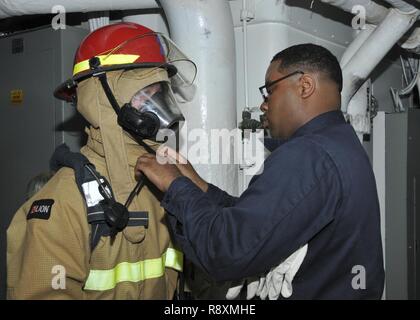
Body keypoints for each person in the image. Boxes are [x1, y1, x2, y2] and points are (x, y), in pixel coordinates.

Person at [135, 43, 385, 299]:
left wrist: (174, 185)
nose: (264, 105)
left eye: (270, 91)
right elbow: (263, 222)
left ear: (305, 86)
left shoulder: (308, 155)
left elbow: (228, 251)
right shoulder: (341, 144)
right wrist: (199, 187)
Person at [7, 22, 196, 299]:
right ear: (102, 99)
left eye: (160, 94)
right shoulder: (64, 203)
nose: (158, 110)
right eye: (145, 94)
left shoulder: (165, 181)